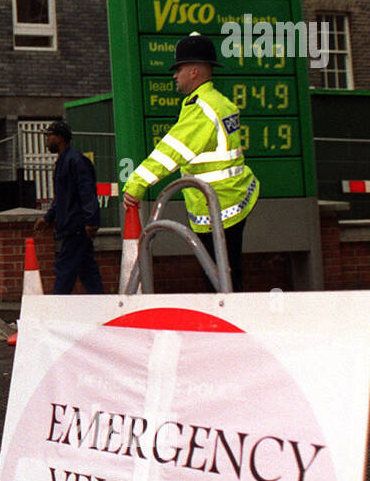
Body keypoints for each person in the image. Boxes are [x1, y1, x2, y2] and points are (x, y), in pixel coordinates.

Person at [122, 33, 259, 292]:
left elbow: (169, 152)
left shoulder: (201, 109)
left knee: (219, 279)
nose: (175, 75)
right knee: (227, 274)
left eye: (179, 69)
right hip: (233, 198)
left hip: (218, 205)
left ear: (194, 71)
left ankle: (224, 328)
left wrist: (136, 184)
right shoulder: (220, 102)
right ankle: (228, 323)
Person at [34, 120, 103, 295]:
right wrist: (48, 217)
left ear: (59, 138)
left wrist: (91, 221)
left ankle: (57, 309)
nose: (47, 141)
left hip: (76, 226)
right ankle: (102, 306)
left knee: (64, 269)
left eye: (49, 136)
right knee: (87, 271)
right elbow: (62, 197)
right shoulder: (63, 162)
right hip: (72, 225)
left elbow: (87, 192)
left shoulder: (76, 161)